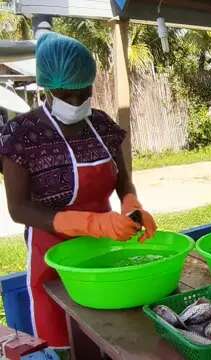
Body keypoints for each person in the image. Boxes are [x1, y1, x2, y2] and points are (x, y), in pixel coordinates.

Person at [0, 32, 157, 348]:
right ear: (48, 88)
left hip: (103, 250)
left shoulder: (101, 125)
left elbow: (122, 180)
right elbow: (19, 209)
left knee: (110, 336)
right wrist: (92, 223)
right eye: (66, 95)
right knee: (65, 342)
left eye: (82, 94)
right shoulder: (22, 134)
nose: (76, 102)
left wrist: (130, 204)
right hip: (51, 259)